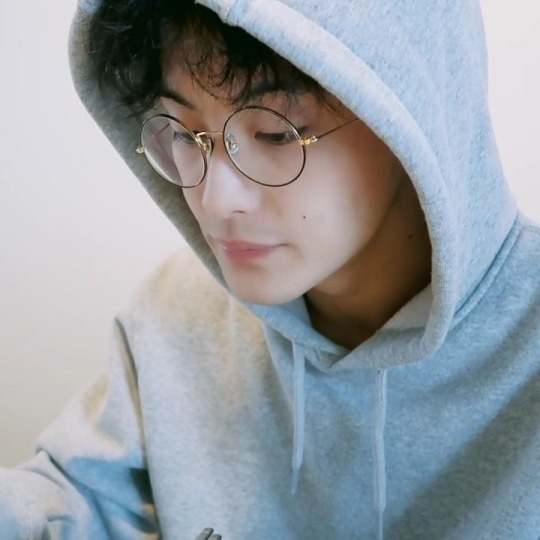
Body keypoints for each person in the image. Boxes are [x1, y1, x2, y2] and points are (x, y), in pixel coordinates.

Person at [1, 0, 539, 538]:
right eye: (184, 135)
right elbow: (73, 503)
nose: (215, 199)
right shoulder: (174, 313)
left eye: (276, 134)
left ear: (412, 116)